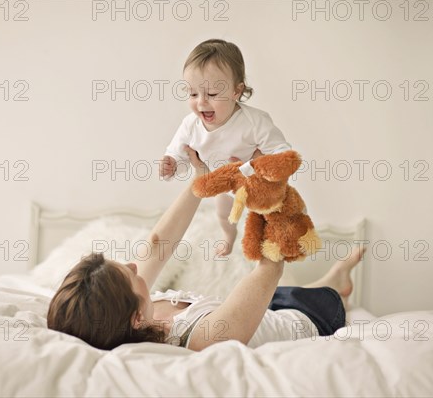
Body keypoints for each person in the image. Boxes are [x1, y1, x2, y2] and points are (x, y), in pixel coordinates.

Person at [47, 146, 365, 351]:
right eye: (130, 275)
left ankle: (336, 280)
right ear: (134, 318)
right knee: (318, 296)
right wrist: (270, 209)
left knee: (286, 294)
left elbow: (158, 242)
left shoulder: (132, 311)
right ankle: (338, 290)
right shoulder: (198, 339)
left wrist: (200, 181)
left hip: (260, 308)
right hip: (308, 318)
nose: (133, 266)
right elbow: (270, 268)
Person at [160, 39, 292, 256]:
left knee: (271, 218)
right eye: (193, 94)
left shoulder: (254, 121)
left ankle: (280, 243)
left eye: (212, 94)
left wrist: (256, 166)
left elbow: (282, 152)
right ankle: (229, 238)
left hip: (260, 186)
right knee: (223, 214)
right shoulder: (190, 125)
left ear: (236, 91)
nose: (201, 103)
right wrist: (171, 165)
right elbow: (180, 154)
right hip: (226, 185)